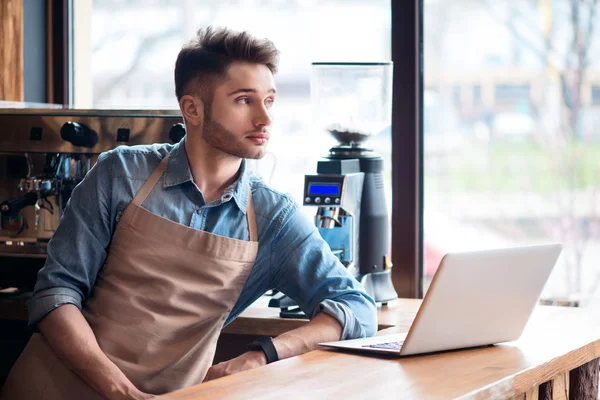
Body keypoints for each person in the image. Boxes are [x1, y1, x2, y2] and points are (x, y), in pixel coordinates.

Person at [0, 26, 377, 400]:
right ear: (192, 109)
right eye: (245, 100)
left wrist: (262, 355)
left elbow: (356, 307)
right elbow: (56, 293)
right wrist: (119, 391)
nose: (265, 118)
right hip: (49, 389)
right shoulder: (121, 174)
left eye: (270, 100)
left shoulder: (272, 217)